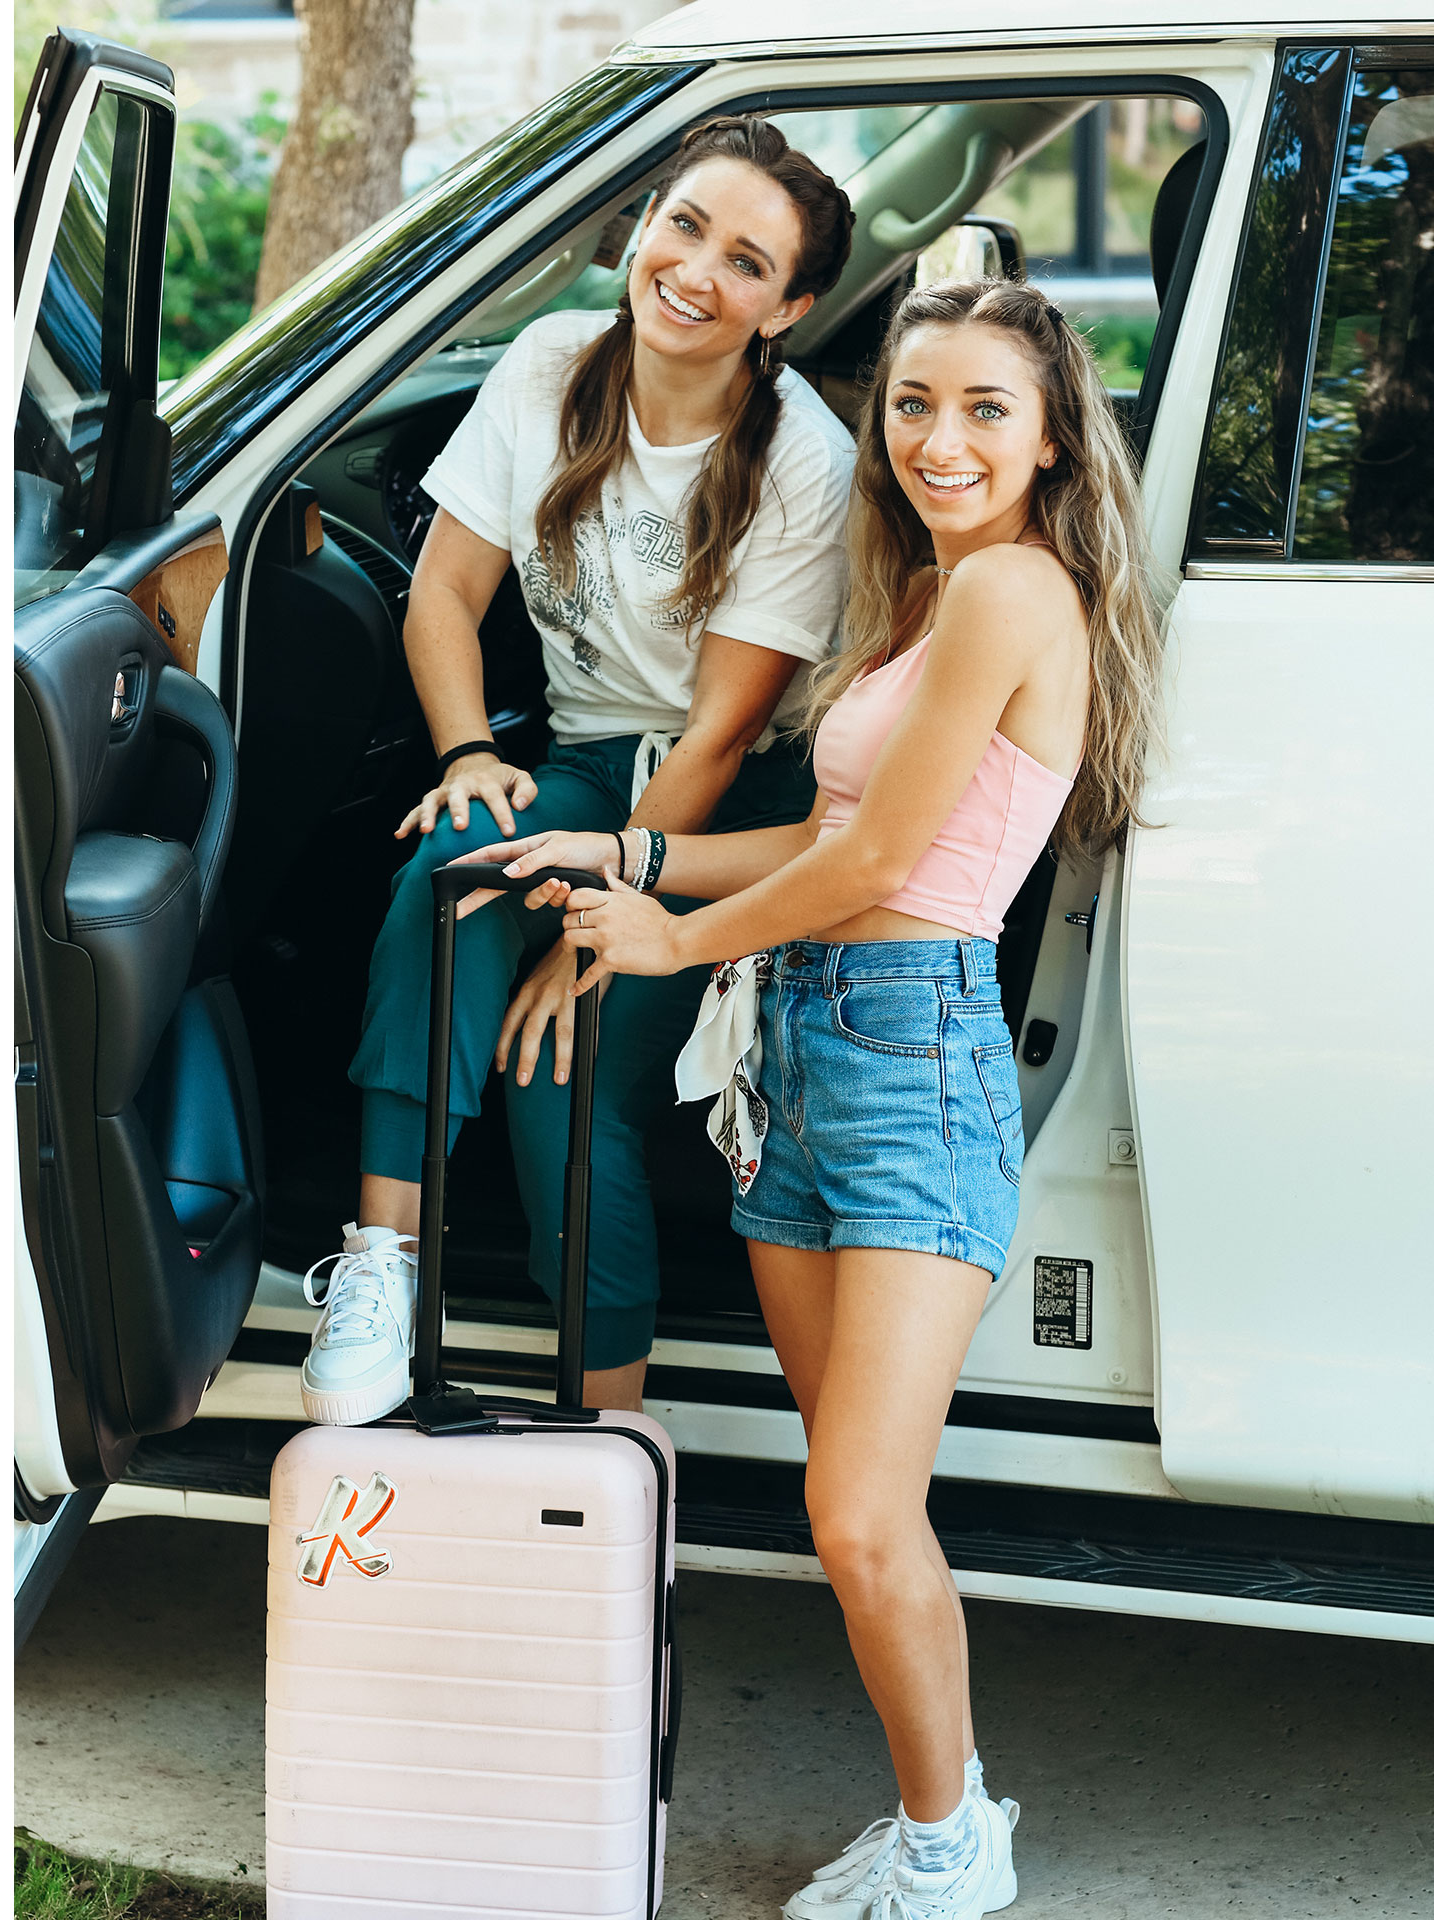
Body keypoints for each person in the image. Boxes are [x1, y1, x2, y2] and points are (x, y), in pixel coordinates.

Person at [481, 276, 1165, 1919]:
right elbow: (810, 839)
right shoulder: (927, 603)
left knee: (858, 1519)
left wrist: (664, 942)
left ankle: (953, 1844)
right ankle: (937, 1822)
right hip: (800, 1053)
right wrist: (629, 849)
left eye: (987, 409)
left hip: (911, 1063)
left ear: (1057, 433)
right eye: (913, 403)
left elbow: (880, 862)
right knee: (850, 1499)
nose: (939, 438)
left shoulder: (1011, 591)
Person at [303, 115, 857, 1427]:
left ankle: (607, 1438)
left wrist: (592, 941)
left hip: (725, 809)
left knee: (566, 1072)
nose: (695, 271)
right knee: (451, 871)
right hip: (585, 761)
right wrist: (469, 755)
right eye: (685, 226)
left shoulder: (802, 461)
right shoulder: (554, 365)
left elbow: (721, 735)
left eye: (746, 261)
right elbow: (442, 589)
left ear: (789, 307)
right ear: (645, 220)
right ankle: (381, 1268)